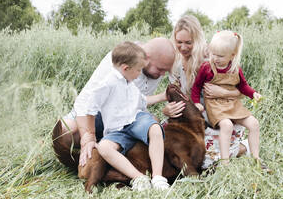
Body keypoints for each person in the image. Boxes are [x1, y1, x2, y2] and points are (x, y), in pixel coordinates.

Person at [55, 37, 175, 171]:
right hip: (97, 116)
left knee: (153, 123)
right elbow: (86, 101)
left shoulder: (157, 67)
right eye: (160, 69)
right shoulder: (121, 59)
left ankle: (111, 147)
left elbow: (138, 100)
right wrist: (88, 136)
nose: (162, 75)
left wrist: (164, 97)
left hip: (125, 118)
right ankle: (97, 147)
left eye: (166, 71)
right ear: (145, 57)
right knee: (65, 132)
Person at [78, 41, 170, 190]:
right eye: (139, 70)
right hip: (117, 129)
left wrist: (163, 96)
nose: (140, 73)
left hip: (135, 121)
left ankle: (158, 177)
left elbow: (143, 101)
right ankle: (138, 177)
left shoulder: (129, 82)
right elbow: (90, 109)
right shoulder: (106, 84)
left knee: (155, 128)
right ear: (126, 68)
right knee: (104, 147)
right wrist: (91, 135)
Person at [165, 15, 251, 168]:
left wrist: (224, 93)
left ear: (196, 40)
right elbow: (176, 93)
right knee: (169, 143)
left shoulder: (211, 58)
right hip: (190, 114)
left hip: (215, 115)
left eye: (188, 43)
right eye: (179, 42)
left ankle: (241, 148)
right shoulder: (175, 61)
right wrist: (169, 109)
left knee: (204, 161)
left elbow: (241, 90)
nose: (183, 47)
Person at [191, 30, 263, 166]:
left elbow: (243, 86)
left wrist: (253, 93)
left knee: (254, 124)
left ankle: (256, 158)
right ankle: (225, 162)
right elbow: (196, 87)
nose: (215, 58)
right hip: (215, 106)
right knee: (227, 125)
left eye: (220, 56)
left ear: (232, 55)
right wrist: (196, 103)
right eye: (212, 54)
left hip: (232, 104)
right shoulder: (207, 68)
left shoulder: (236, 68)